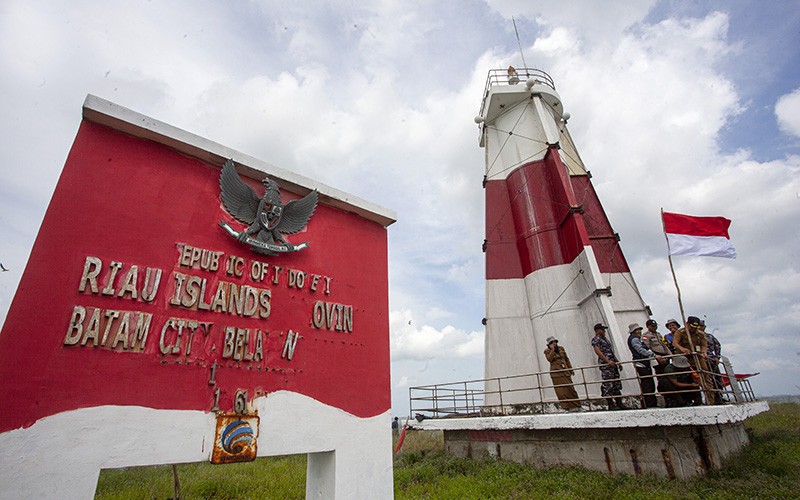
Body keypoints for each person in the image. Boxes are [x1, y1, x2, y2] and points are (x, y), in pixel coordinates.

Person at [672, 316, 714, 404]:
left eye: (696, 327)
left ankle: (710, 401)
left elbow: (704, 345)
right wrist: (682, 349)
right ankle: (688, 401)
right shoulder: (680, 332)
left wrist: (704, 352)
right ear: (687, 324)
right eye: (692, 327)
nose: (693, 329)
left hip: (697, 357)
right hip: (684, 359)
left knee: (705, 376)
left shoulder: (700, 334)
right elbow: (675, 343)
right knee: (687, 379)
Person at [627, 323, 664, 408]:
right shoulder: (634, 339)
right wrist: (654, 356)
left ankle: (651, 402)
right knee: (647, 383)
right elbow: (640, 350)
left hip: (644, 363)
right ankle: (649, 403)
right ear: (634, 331)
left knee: (649, 383)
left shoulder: (637, 339)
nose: (639, 331)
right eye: (637, 330)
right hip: (641, 363)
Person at [591, 323, 625, 410]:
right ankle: (611, 404)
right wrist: (607, 361)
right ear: (597, 330)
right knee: (608, 384)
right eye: (602, 329)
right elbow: (598, 351)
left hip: (613, 364)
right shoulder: (596, 339)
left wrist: (617, 362)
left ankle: (619, 403)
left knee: (616, 384)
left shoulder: (605, 339)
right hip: (606, 365)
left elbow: (610, 352)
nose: (604, 331)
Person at [543, 336, 581, 411]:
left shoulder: (561, 349)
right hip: (556, 373)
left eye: (555, 342)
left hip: (565, 371)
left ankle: (577, 405)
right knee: (561, 392)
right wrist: (553, 350)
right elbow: (550, 359)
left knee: (571, 389)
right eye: (551, 343)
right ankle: (566, 407)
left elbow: (566, 359)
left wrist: (570, 369)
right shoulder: (547, 351)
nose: (554, 344)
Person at [701, 321, 724, 404]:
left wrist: (717, 357)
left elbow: (718, 345)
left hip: (712, 360)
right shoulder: (695, 337)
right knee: (706, 380)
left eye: (702, 326)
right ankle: (709, 399)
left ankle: (719, 397)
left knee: (717, 379)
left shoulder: (709, 336)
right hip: (701, 360)